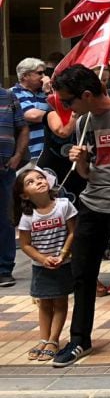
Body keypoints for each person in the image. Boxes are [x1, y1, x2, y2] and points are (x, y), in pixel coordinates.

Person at [49, 65, 110, 368]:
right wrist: (79, 162)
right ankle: (79, 338)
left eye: (68, 102)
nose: (67, 108)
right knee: (82, 273)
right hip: (92, 204)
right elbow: (86, 173)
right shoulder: (83, 121)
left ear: (88, 94)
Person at [13, 167, 76, 362]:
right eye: (30, 182)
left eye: (40, 178)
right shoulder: (28, 217)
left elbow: (73, 232)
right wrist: (42, 259)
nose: (38, 182)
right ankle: (43, 338)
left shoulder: (64, 205)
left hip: (63, 264)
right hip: (41, 268)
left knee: (59, 302)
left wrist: (63, 254)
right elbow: (25, 244)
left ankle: (54, 340)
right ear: (24, 195)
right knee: (44, 303)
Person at [0, 84, 29, 288]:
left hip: (5, 169)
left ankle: (4, 269)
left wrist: (18, 155)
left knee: (5, 219)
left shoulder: (9, 97)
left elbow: (23, 128)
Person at [11, 57, 52, 162]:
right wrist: (55, 116)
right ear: (25, 75)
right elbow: (31, 115)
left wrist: (49, 93)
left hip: (50, 151)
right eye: (39, 73)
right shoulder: (13, 93)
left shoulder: (46, 92)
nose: (44, 76)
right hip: (27, 154)